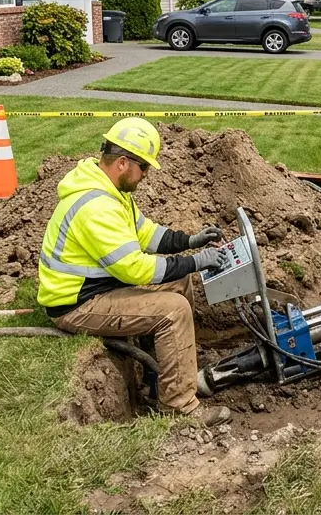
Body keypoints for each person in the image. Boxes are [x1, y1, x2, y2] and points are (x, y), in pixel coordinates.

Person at [37, 117, 231, 424]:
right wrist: (197, 260)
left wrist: (190, 241)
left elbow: (147, 234)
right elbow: (135, 269)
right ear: (124, 163)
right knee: (173, 310)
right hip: (76, 305)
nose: (147, 175)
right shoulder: (96, 207)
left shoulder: (112, 193)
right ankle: (181, 408)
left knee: (179, 282)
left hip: (98, 290)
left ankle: (166, 373)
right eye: (145, 167)